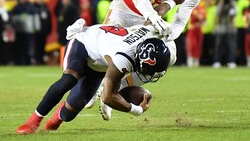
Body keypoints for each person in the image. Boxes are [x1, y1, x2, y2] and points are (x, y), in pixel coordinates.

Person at [86, 0, 209, 108]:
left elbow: (180, 22)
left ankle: (115, 87)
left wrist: (163, 33)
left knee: (169, 55)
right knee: (105, 55)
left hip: (151, 19)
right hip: (125, 10)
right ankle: (90, 86)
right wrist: (163, 9)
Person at [16, 18, 177, 134]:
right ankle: (33, 121)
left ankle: (55, 120)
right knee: (69, 80)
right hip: (83, 43)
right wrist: (137, 110)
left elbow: (156, 15)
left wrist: (169, 3)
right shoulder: (122, 58)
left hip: (99, 62)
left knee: (73, 109)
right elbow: (107, 97)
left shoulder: (152, 35)